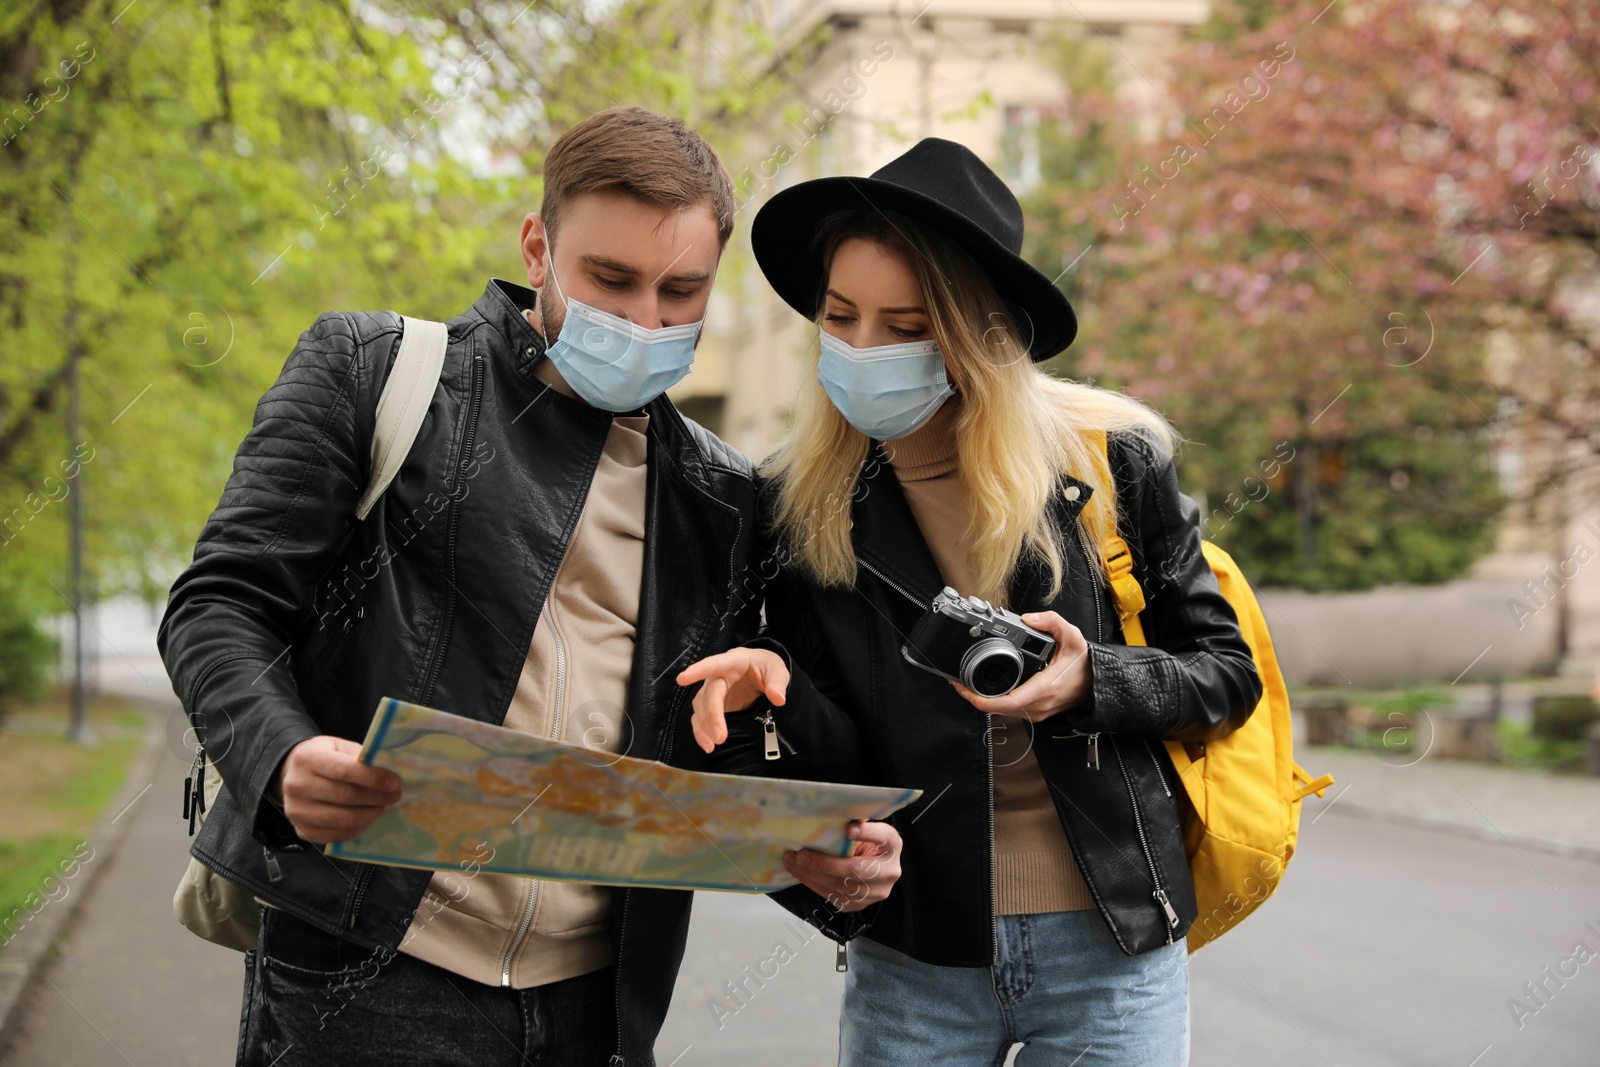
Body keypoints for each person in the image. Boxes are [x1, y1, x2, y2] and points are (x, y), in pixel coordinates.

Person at [158, 106, 899, 1067]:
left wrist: (824, 855)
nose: (645, 321)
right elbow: (220, 604)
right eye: (612, 279)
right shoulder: (375, 372)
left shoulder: (723, 495)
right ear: (538, 247)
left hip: (600, 1008)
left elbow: (697, 751)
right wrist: (283, 757)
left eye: (682, 291)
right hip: (369, 974)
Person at [683, 138, 1263, 1065]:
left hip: (1111, 949)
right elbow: (830, 754)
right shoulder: (799, 506)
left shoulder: (1110, 463)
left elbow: (1226, 677)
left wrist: (1090, 679)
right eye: (841, 316)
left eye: (905, 325)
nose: (863, 348)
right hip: (918, 951)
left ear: (975, 334)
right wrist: (775, 684)